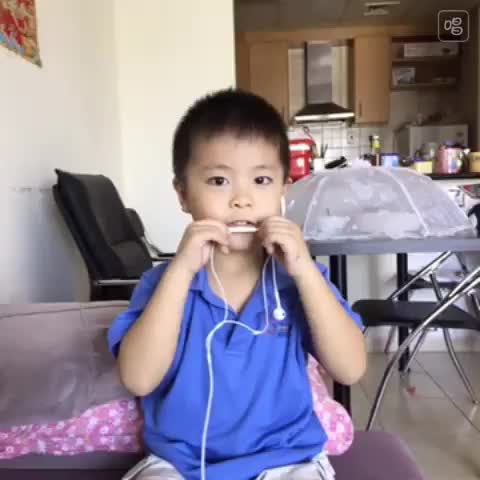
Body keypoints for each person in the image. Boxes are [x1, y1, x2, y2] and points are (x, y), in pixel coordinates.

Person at [108, 89, 367, 480]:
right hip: (179, 463)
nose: (242, 200)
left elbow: (350, 369)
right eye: (218, 180)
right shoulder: (161, 283)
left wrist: (305, 272)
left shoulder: (298, 280)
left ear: (283, 191)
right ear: (183, 194)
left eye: (261, 180)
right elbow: (138, 379)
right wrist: (179, 273)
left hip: (288, 459)